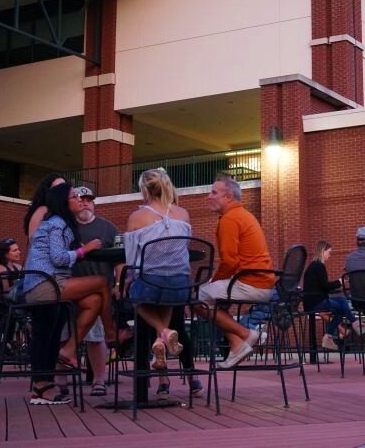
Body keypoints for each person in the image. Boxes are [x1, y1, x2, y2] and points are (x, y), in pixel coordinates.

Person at [21, 182, 115, 405]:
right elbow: (59, 259)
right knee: (101, 282)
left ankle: (70, 349)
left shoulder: (61, 224)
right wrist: (86, 249)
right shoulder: (58, 223)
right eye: (74, 197)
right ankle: (111, 333)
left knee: (93, 300)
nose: (78, 200)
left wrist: (80, 247)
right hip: (45, 285)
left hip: (51, 283)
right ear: (64, 202)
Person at [196, 176, 275, 369]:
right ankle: (237, 343)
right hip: (261, 283)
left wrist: (213, 281)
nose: (208, 196)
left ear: (229, 197)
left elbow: (230, 262)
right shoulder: (244, 215)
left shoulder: (230, 219)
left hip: (250, 283)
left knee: (196, 300)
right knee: (216, 303)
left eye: (214, 192)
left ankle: (246, 334)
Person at [124, 168, 191, 379]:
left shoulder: (137, 217)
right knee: (167, 292)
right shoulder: (184, 214)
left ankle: (163, 332)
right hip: (181, 286)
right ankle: (160, 341)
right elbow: (184, 249)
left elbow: (131, 259)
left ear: (145, 190)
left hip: (151, 284)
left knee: (134, 296)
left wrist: (127, 281)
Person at [69, 186, 117, 397]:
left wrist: (118, 285)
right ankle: (60, 382)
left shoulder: (108, 228)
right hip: (70, 289)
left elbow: (120, 260)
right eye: (81, 199)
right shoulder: (66, 228)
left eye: (89, 199)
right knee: (64, 334)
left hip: (100, 294)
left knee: (95, 337)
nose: (86, 202)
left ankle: (99, 380)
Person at [303, 240, 365, 351]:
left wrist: (338, 283)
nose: (330, 255)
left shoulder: (313, 266)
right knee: (341, 307)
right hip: (316, 302)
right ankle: (354, 324)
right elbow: (325, 286)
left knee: (341, 301)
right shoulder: (319, 266)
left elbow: (322, 286)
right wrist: (339, 282)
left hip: (312, 300)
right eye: (329, 252)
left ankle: (334, 334)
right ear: (323, 251)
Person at [23, 173, 66, 239]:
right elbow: (34, 243)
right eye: (56, 187)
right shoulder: (43, 211)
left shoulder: (64, 213)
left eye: (64, 187)